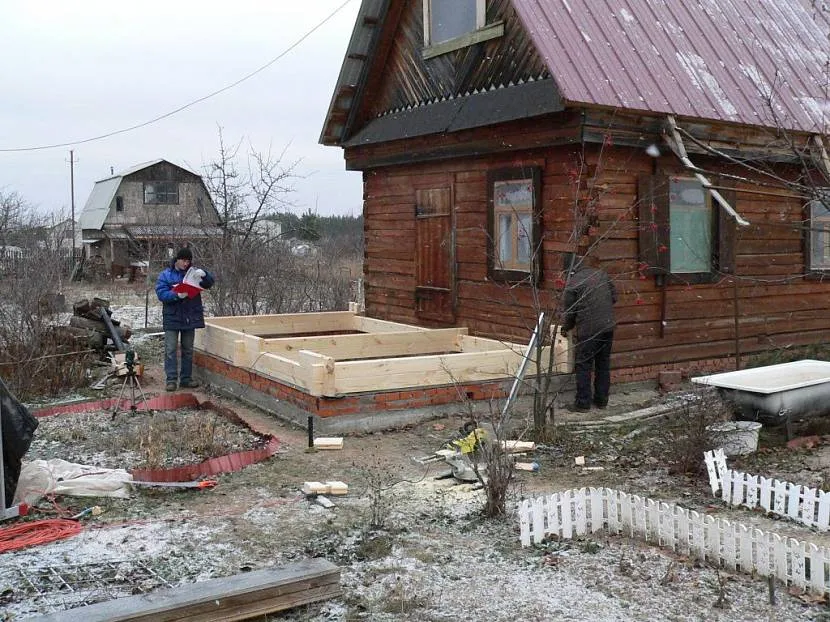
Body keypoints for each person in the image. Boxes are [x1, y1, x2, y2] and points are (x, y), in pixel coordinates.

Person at [560, 252, 617, 412]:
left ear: (569, 270)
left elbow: (570, 311)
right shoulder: (601, 274)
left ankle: (583, 403)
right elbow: (614, 297)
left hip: (589, 330)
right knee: (603, 363)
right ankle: (601, 400)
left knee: (583, 364)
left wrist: (566, 328)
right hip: (607, 327)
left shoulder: (573, 283)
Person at [155, 247, 215, 392]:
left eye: (188, 261)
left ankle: (186, 379)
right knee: (170, 349)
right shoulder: (166, 275)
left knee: (188, 349)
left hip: (190, 317)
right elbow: (161, 294)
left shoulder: (193, 274)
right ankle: (171, 380)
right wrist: (176, 295)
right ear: (177, 260)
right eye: (183, 260)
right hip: (172, 317)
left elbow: (209, 283)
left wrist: (205, 275)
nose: (186, 263)